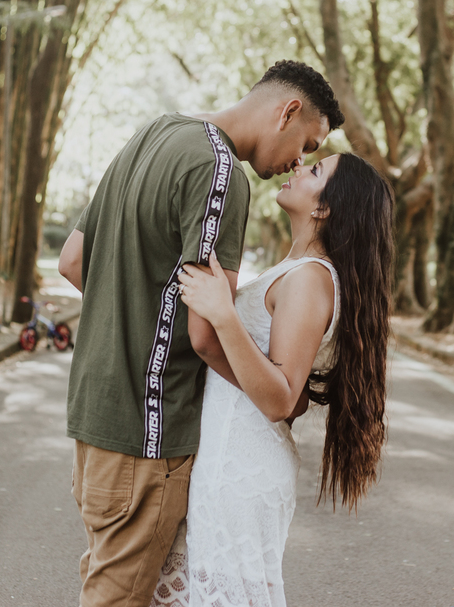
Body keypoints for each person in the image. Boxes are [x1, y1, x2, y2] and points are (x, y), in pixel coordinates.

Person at [57, 60, 345, 607]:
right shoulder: (220, 173)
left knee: (105, 581)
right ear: (287, 112)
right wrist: (281, 394)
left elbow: (74, 262)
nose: (298, 161)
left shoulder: (150, 134)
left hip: (93, 414)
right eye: (307, 144)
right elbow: (207, 331)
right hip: (150, 429)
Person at [150, 152, 394, 607]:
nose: (299, 167)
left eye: (316, 171)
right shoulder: (296, 270)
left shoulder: (310, 280)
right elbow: (291, 390)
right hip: (230, 458)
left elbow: (281, 397)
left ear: (324, 209)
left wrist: (223, 314)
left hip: (240, 467)